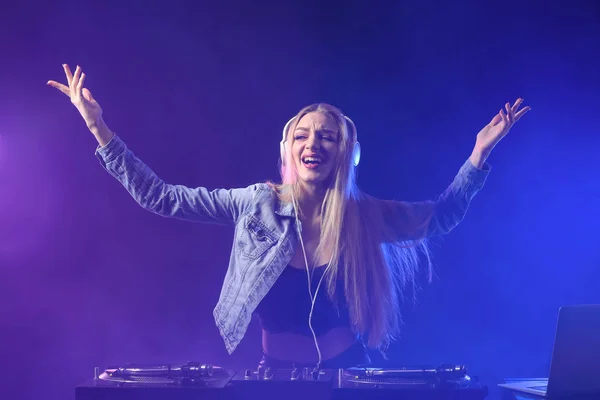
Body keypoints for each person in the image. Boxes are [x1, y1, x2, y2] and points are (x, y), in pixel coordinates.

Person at [48, 64, 530, 369]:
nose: (313, 143)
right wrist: (97, 126)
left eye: (326, 136)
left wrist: (478, 156)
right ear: (288, 148)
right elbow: (161, 196)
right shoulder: (253, 204)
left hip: (351, 373)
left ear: (346, 153)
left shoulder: (363, 216)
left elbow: (441, 217)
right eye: (302, 135)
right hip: (274, 375)